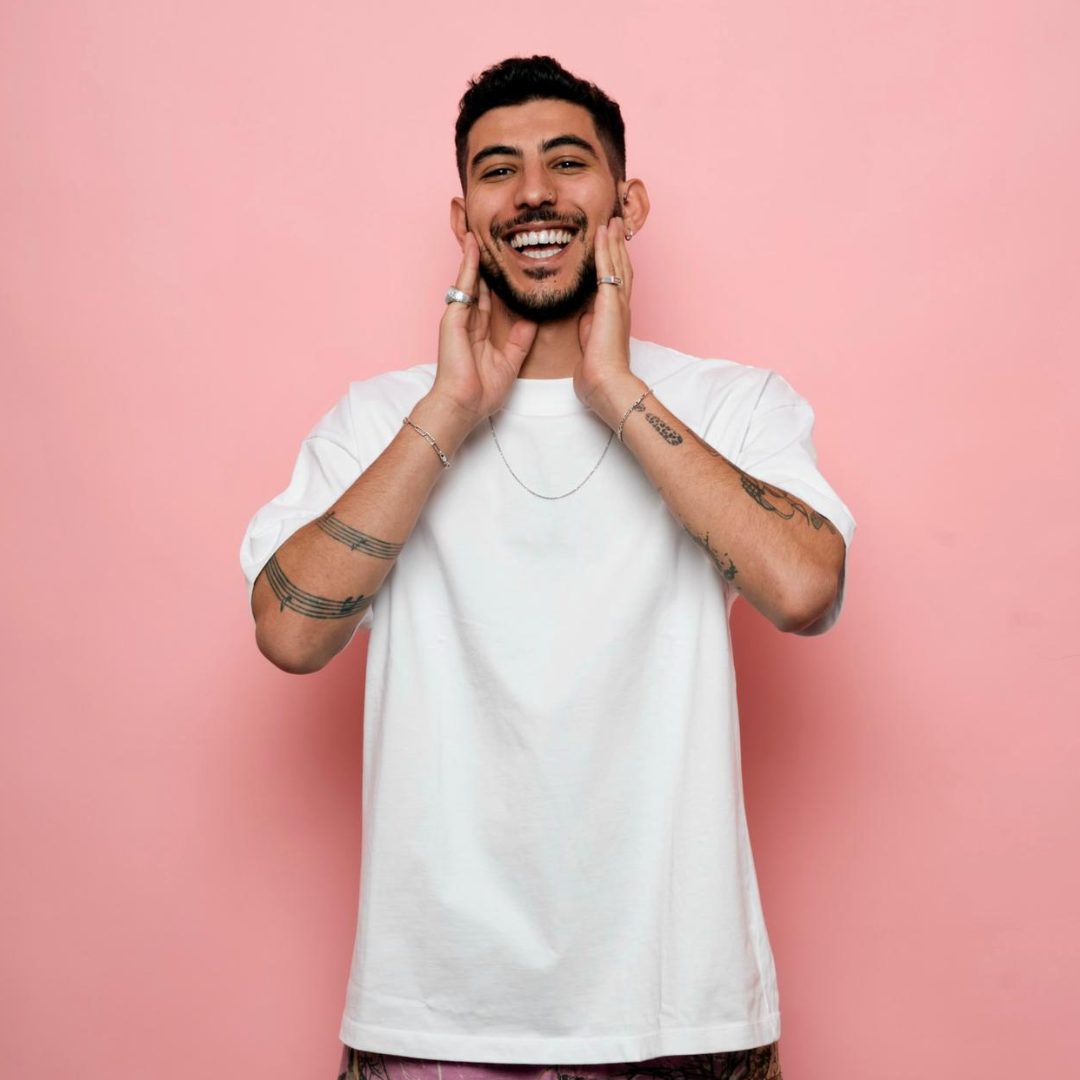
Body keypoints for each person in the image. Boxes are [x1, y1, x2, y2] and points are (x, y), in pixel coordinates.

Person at [240, 55, 855, 1080]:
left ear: (627, 203)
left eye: (567, 163)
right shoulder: (378, 418)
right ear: (464, 217)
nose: (533, 192)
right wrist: (450, 412)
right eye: (498, 170)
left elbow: (804, 589)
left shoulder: (734, 405)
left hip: (680, 1018)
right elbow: (291, 633)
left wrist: (613, 389)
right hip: (434, 1022)